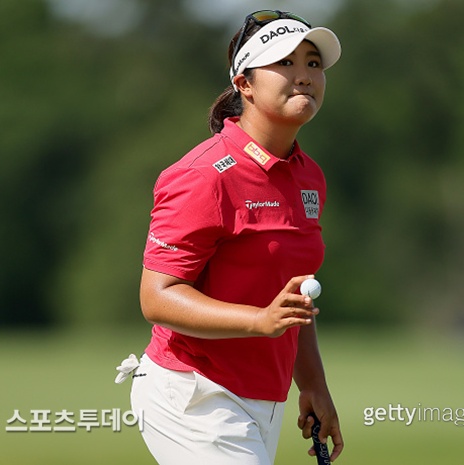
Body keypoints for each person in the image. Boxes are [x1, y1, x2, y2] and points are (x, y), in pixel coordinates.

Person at [124, 10, 343, 465]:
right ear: (244, 84)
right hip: (194, 394)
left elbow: (293, 298)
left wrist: (313, 383)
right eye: (284, 63)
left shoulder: (309, 176)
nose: (304, 76)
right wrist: (258, 320)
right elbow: (156, 297)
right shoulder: (204, 175)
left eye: (313, 63)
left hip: (263, 400)